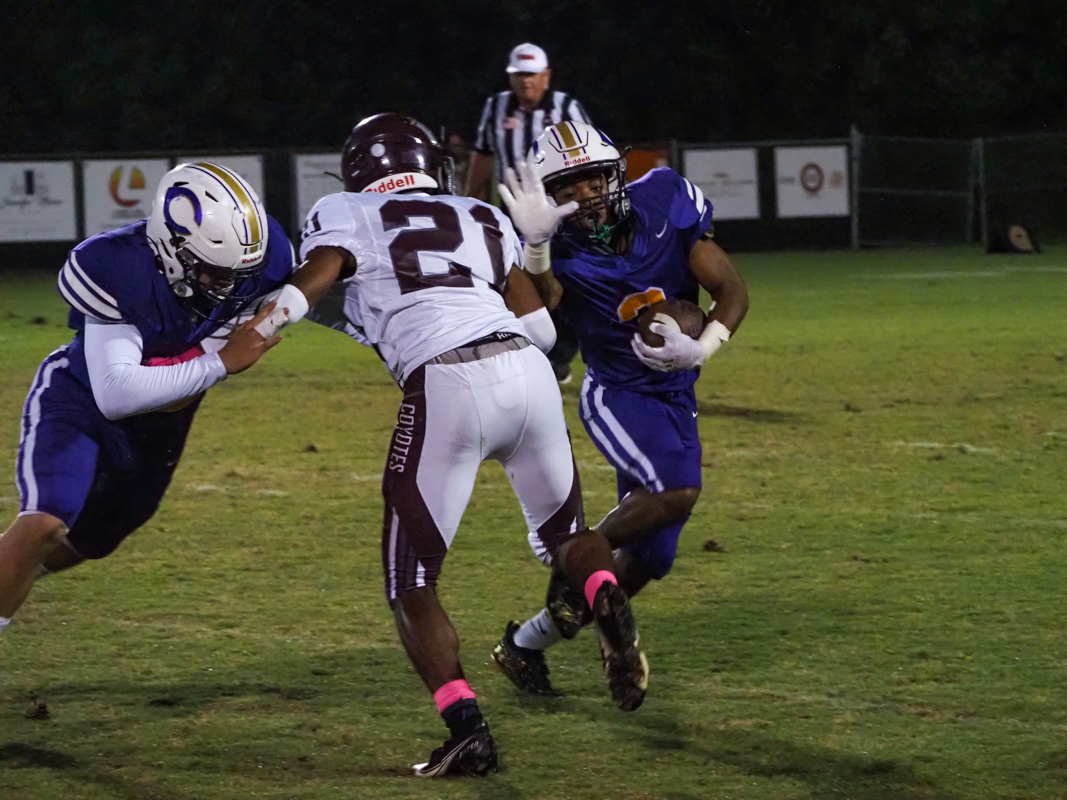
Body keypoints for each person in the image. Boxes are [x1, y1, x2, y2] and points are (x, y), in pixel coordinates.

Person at [289, 113, 648, 778]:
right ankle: (602, 587)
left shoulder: (341, 213)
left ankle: (466, 729)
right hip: (528, 374)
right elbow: (544, 333)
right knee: (567, 535)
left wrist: (274, 314)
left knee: (411, 579)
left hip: (446, 381)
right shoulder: (478, 215)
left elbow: (320, 282)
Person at [490, 122, 749, 696]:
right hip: (616, 393)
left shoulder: (665, 201)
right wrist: (536, 245)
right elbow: (545, 307)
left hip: (676, 393)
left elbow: (732, 291)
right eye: (568, 188)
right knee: (678, 489)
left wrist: (702, 347)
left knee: (652, 559)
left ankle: (524, 644)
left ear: (616, 175)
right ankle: (579, 566)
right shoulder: (550, 246)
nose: (585, 196)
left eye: (593, 181)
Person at [0, 163, 306, 640]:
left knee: (94, 539)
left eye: (239, 274)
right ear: (171, 248)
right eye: (215, 272)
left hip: (164, 425)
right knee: (45, 522)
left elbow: (297, 289)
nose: (228, 287)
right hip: (82, 401)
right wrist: (220, 363)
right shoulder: (117, 267)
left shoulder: (263, 258)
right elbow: (116, 393)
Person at [466, 42, 590, 384]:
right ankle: (525, 350)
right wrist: (467, 200)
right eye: (520, 74)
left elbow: (589, 153)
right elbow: (484, 155)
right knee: (512, 282)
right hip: (512, 215)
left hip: (561, 212)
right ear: (510, 77)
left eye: (532, 74)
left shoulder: (566, 107)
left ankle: (559, 354)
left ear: (546, 76)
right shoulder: (496, 107)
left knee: (567, 281)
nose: (526, 81)